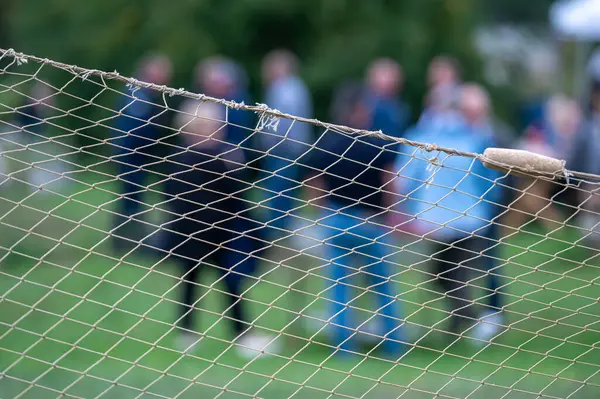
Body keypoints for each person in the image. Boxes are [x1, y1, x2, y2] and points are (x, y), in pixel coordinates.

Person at [163, 100, 279, 359]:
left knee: (215, 283)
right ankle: (198, 332)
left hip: (206, 232)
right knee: (203, 281)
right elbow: (235, 196)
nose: (220, 129)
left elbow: (170, 195)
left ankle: (210, 333)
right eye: (215, 124)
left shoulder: (186, 157)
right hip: (206, 232)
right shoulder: (211, 158)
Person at [303, 82, 405, 357]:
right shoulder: (376, 142)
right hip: (370, 221)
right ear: (360, 109)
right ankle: (394, 344)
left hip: (335, 219)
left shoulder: (328, 141)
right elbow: (389, 181)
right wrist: (391, 213)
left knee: (338, 288)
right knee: (383, 287)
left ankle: (344, 347)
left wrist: (321, 209)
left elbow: (312, 180)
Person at [393, 86, 502, 342]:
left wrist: (406, 210)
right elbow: (491, 181)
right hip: (472, 218)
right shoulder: (476, 137)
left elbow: (405, 179)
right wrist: (488, 210)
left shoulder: (421, 137)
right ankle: (466, 318)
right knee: (450, 272)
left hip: (435, 220)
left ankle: (469, 318)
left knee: (445, 273)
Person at [457, 83, 512, 343]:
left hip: (485, 208)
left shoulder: (493, 135)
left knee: (488, 259)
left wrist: (491, 205)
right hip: (457, 210)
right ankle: (462, 313)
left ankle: (494, 313)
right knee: (456, 263)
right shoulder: (456, 134)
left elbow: (500, 179)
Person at [111, 53, 173, 252]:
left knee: (133, 198)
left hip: (139, 154)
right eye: (162, 73)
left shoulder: (144, 92)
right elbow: (136, 128)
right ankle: (127, 243)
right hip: (131, 154)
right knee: (131, 198)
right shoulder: (137, 91)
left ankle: (131, 241)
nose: (165, 79)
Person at [259, 49, 313, 237]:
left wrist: (272, 141)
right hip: (290, 147)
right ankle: (282, 226)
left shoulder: (285, 88)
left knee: (279, 188)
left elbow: (283, 121)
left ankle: (276, 229)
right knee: (285, 187)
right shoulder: (295, 87)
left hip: (283, 148)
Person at [365, 58, 411, 138]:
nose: (388, 81)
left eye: (391, 76)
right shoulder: (364, 105)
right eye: (383, 76)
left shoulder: (401, 108)